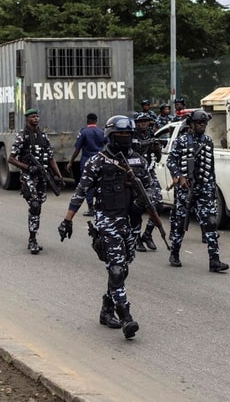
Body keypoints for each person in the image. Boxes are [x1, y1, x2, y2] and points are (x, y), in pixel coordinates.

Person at [57, 115, 151, 339]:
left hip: (132, 223)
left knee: (123, 269)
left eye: (128, 134)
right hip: (107, 221)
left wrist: (144, 202)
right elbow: (80, 191)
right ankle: (126, 316)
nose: (125, 138)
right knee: (116, 269)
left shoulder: (138, 161)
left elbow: (152, 188)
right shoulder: (97, 161)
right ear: (110, 135)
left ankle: (106, 309)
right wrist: (67, 220)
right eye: (120, 134)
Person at [166, 109, 229, 272]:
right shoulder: (181, 141)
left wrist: (212, 186)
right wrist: (179, 176)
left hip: (205, 188)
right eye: (199, 123)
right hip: (186, 189)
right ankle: (174, 253)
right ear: (192, 124)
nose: (202, 125)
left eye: (204, 123)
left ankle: (214, 261)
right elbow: (171, 160)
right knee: (180, 223)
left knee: (210, 223)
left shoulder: (208, 141)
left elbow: (211, 166)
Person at [8, 108, 64, 255]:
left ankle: (32, 236)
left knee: (38, 206)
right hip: (28, 177)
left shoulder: (43, 136)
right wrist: (27, 167)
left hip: (42, 176)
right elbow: (11, 158)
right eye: (33, 116)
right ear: (27, 119)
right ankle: (32, 239)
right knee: (34, 205)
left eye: (38, 116)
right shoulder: (22, 137)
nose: (36, 119)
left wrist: (58, 175)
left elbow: (51, 158)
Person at [132, 112, 163, 252]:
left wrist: (157, 149)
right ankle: (136, 237)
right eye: (141, 122)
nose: (144, 124)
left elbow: (157, 157)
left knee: (158, 202)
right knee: (137, 206)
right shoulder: (132, 135)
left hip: (148, 172)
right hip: (134, 174)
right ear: (136, 123)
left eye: (146, 121)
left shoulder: (151, 134)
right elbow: (136, 147)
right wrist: (150, 142)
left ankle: (148, 234)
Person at [67, 113, 106, 216]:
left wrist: (71, 161)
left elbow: (77, 148)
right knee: (101, 184)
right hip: (101, 161)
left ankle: (91, 208)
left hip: (87, 161)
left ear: (87, 120)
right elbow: (108, 144)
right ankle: (100, 207)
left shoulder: (84, 132)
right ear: (96, 120)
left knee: (88, 185)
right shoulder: (102, 131)